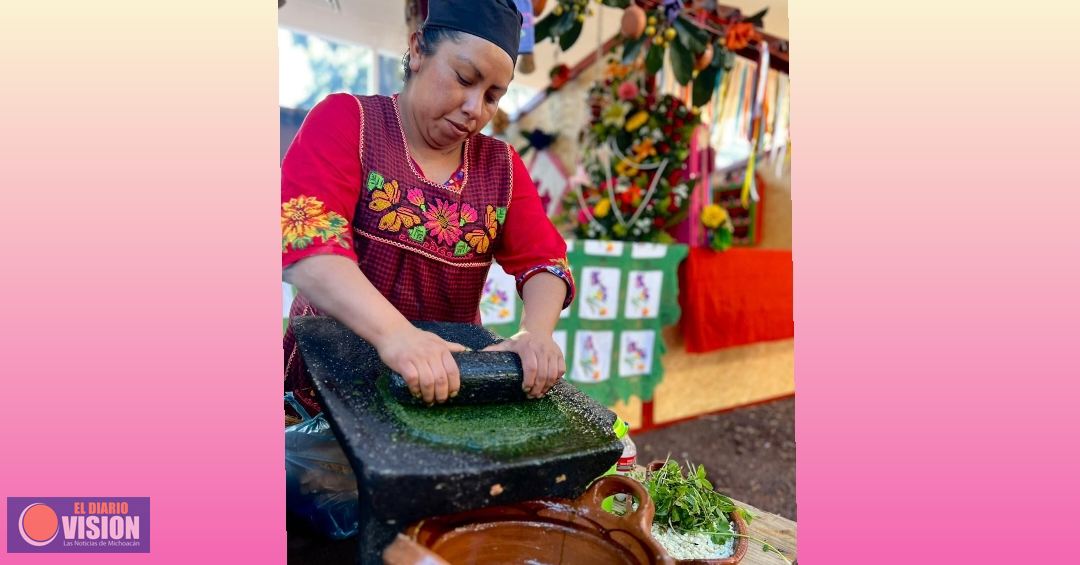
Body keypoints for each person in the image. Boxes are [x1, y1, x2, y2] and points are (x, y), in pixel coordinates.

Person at [282, 0, 575, 417]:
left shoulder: (501, 166)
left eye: (493, 95)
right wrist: (396, 336)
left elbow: (546, 261)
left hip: (441, 386)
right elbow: (307, 245)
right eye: (464, 78)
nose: (476, 109)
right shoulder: (348, 121)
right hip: (326, 385)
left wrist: (537, 332)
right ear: (418, 49)